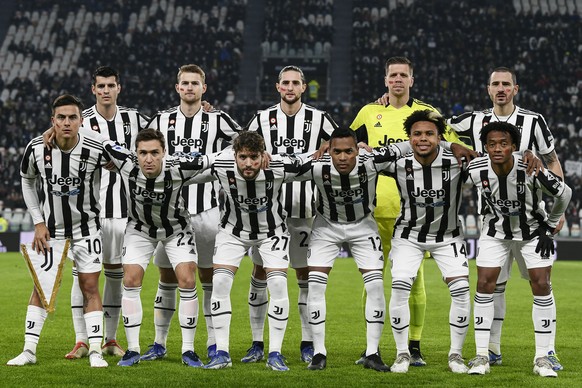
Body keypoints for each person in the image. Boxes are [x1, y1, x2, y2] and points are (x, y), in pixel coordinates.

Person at [447, 67, 565, 370]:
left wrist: (556, 213)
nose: (501, 89)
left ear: (515, 89)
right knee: (491, 285)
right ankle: (491, 350)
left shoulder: (533, 120)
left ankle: (547, 351)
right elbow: (436, 125)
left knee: (541, 284)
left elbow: (551, 160)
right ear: (488, 89)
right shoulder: (472, 120)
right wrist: (455, 145)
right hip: (495, 223)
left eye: (506, 84)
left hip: (532, 222)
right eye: (495, 84)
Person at [352, 56, 464, 365]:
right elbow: (347, 146)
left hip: (415, 214)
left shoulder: (428, 114)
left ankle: (413, 346)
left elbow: (453, 145)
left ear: (411, 80)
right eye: (393, 75)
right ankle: (370, 347)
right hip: (373, 211)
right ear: (385, 80)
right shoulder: (368, 112)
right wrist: (359, 147)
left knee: (414, 281)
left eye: (403, 75)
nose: (398, 79)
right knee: (373, 280)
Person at [141, 64, 241, 363]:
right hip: (168, 212)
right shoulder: (162, 119)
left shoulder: (217, 118)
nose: (189, 88)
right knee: (167, 277)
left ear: (204, 88)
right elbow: (143, 146)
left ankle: (212, 342)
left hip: (207, 209)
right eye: (184, 83)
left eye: (194, 83)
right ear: (177, 87)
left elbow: (244, 141)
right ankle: (159, 343)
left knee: (208, 278)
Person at [296, 128, 415, 372]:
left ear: (357, 149)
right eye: (336, 151)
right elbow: (279, 164)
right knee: (315, 285)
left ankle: (372, 352)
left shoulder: (371, 161)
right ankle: (319, 353)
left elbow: (409, 144)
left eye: (348, 151)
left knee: (374, 285)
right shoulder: (316, 165)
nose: (342, 157)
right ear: (328, 151)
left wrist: (451, 146)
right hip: (326, 227)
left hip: (363, 226)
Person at [96, 128, 215, 367]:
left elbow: (215, 157)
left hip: (176, 229)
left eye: (154, 153)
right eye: (143, 153)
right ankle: (133, 350)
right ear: (135, 154)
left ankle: (188, 350)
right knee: (130, 280)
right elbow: (99, 138)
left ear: (164, 153)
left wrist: (257, 152)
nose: (148, 159)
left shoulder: (180, 166)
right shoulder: (125, 162)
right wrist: (53, 131)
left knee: (188, 281)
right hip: (140, 230)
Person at [242, 65, 338, 364]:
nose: (290, 87)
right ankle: (258, 343)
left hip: (305, 210)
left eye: (296, 83)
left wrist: (328, 146)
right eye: (285, 82)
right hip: (268, 211)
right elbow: (241, 149)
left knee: (304, 275)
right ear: (277, 86)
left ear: (304, 87)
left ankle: (307, 342)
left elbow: (341, 145)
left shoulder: (319, 118)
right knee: (260, 273)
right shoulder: (261, 119)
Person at [8, 94, 108, 368]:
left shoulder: (96, 147)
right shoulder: (36, 148)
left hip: (88, 230)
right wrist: (38, 223)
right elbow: (27, 181)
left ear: (81, 121)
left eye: (72, 117)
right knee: (41, 288)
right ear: (52, 121)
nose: (66, 122)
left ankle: (96, 350)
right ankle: (28, 351)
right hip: (51, 232)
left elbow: (120, 161)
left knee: (90, 286)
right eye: (61, 117)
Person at [465, 122, 571, 378]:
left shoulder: (530, 167)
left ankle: (543, 357)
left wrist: (548, 226)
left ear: (514, 146)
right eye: (492, 144)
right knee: (484, 283)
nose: (497, 148)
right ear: (485, 147)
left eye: (503, 144)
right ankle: (482, 355)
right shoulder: (476, 169)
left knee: (541, 284)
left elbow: (564, 193)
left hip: (532, 232)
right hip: (495, 233)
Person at [200, 131, 306, 371]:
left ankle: (275, 353)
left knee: (278, 285)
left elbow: (312, 160)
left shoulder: (278, 166)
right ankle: (222, 353)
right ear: (235, 155)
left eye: (254, 157)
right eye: (243, 157)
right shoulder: (221, 164)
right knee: (220, 283)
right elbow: (187, 164)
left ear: (263, 155)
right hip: (232, 232)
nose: (248, 163)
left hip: (272, 233)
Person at [65, 66, 149, 360]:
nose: (105, 91)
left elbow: (159, 138)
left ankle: (111, 339)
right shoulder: (82, 120)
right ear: (93, 89)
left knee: (116, 277)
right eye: (100, 86)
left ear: (118, 88)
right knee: (83, 276)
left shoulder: (134, 118)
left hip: (127, 213)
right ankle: (81, 340)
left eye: (110, 85)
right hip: (89, 213)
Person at [382, 110, 473, 374]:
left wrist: (452, 145)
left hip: (448, 237)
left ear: (439, 136)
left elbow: (491, 162)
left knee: (461, 292)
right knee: (399, 288)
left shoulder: (458, 161)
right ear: (409, 138)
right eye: (417, 134)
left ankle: (455, 355)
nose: (423, 139)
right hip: (408, 237)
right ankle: (402, 354)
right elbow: (366, 157)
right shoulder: (398, 163)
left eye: (430, 134)